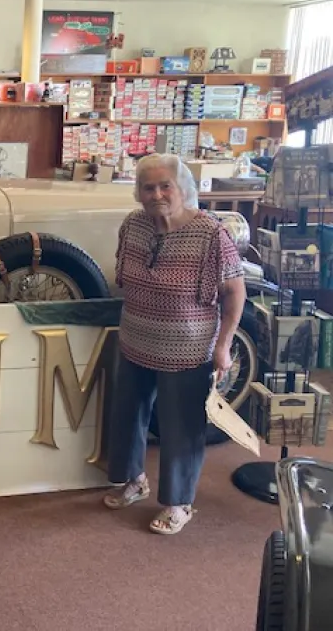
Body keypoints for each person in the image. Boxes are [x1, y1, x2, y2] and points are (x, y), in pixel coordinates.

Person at [103, 153, 246, 535]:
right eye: (148, 187)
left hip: (187, 348)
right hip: (135, 337)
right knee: (127, 414)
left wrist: (223, 345)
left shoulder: (210, 234)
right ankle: (133, 480)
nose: (156, 194)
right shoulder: (132, 226)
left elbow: (234, 292)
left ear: (183, 188)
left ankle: (178, 503)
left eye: (165, 185)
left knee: (181, 425)